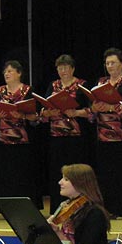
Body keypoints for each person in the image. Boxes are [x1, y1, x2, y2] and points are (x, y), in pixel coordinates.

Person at [0, 60, 40, 205]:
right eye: (5, 71)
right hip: (4, 141)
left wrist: (22, 115)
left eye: (10, 71)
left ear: (19, 73)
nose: (6, 74)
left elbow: (36, 117)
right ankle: (8, 206)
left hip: (24, 141)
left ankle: (26, 205)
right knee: (7, 175)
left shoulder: (28, 90)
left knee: (23, 174)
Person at [40, 54, 91, 214]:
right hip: (56, 136)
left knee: (76, 172)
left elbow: (92, 111)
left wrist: (76, 112)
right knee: (57, 171)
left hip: (77, 136)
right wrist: (49, 112)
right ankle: (58, 208)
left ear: (73, 69)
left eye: (66, 68)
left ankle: (78, 206)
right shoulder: (53, 85)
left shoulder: (82, 85)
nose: (63, 71)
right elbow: (43, 110)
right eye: (60, 68)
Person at [90, 48, 122, 218]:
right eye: (107, 63)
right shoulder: (101, 82)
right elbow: (92, 107)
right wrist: (94, 108)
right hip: (102, 135)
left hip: (121, 136)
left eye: (113, 63)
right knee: (105, 174)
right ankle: (108, 209)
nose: (110, 66)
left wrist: (110, 107)